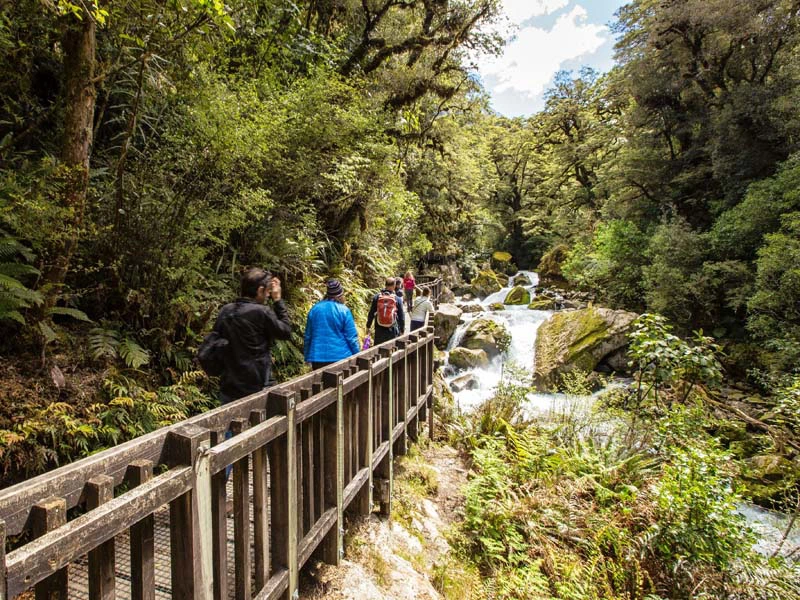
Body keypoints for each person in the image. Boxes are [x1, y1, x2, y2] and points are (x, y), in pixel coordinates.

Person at [212, 267, 292, 404]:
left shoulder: (226, 311)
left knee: (232, 422)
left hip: (229, 385)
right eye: (267, 292)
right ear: (260, 290)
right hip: (256, 384)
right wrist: (278, 300)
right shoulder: (261, 312)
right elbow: (285, 331)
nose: (268, 295)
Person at [304, 279, 360, 371]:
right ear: (341, 294)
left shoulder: (314, 310)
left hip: (317, 357)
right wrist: (358, 354)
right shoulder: (344, 310)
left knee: (321, 384)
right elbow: (352, 338)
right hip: (341, 357)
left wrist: (307, 356)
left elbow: (308, 336)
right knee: (342, 384)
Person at [366, 276, 405, 344]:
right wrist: (402, 330)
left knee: (378, 350)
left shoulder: (377, 297)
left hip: (379, 330)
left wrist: (368, 326)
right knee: (392, 350)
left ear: (385, 285)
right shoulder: (397, 299)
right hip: (392, 330)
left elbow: (371, 313)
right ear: (394, 285)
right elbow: (402, 317)